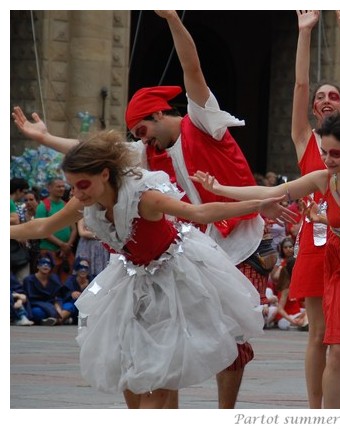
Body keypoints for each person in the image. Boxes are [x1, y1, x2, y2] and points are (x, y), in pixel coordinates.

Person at [12, 10, 272, 409]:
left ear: (157, 115)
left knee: (232, 337)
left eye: (141, 129)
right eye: (134, 136)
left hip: (232, 238)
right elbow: (96, 158)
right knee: (166, 348)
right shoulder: (144, 157)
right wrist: (45, 138)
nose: (139, 138)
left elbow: (192, 67)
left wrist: (171, 18)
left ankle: (226, 413)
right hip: (178, 248)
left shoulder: (201, 123)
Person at [9, 130, 291, 408]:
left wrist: (256, 206)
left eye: (82, 184)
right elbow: (42, 226)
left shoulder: (144, 198)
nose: (77, 192)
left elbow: (200, 213)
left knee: (159, 377)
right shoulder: (85, 201)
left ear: (105, 174)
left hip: (175, 277)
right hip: (130, 278)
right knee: (128, 371)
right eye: (72, 186)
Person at [198, 99, 340, 408]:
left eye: (336, 154)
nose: (328, 160)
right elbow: (271, 193)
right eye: (324, 153)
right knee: (338, 349)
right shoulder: (323, 179)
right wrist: (223, 189)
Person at [290, 9, 340, 408]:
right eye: (320, 98)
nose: (324, 100)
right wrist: (305, 33)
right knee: (317, 332)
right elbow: (301, 83)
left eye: (333, 96)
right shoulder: (305, 137)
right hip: (314, 239)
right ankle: (314, 409)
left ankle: (334, 405)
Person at [36, 177, 77, 283]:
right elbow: (40, 230)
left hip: (66, 252)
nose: (62, 189)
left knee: (67, 281)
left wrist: (67, 245)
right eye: (58, 186)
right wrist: (61, 244)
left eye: (63, 186)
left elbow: (73, 229)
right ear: (49, 188)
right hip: (49, 251)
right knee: (50, 281)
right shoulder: (43, 206)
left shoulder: (66, 205)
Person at [22, 254, 70, 326]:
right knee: (36, 312)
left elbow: (58, 296)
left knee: (69, 306)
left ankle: (57, 319)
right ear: (38, 266)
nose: (45, 266)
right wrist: (49, 307)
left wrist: (58, 307)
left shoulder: (54, 279)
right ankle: (59, 319)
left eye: (48, 264)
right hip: (38, 305)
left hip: (53, 304)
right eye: (42, 263)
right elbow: (30, 299)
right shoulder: (29, 280)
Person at [274, 257, 309, 331]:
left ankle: (304, 323)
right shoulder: (286, 288)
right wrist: (292, 320)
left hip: (297, 315)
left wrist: (303, 315)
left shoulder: (295, 285)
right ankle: (303, 324)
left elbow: (306, 305)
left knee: (311, 312)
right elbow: (279, 309)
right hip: (286, 318)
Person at [61, 257, 94, 324]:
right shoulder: (71, 280)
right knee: (68, 306)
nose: (83, 270)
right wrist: (71, 293)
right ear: (76, 269)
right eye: (80, 267)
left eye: (85, 268)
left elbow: (97, 295)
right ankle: (58, 319)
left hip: (87, 307)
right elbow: (63, 294)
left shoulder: (92, 280)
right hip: (73, 305)